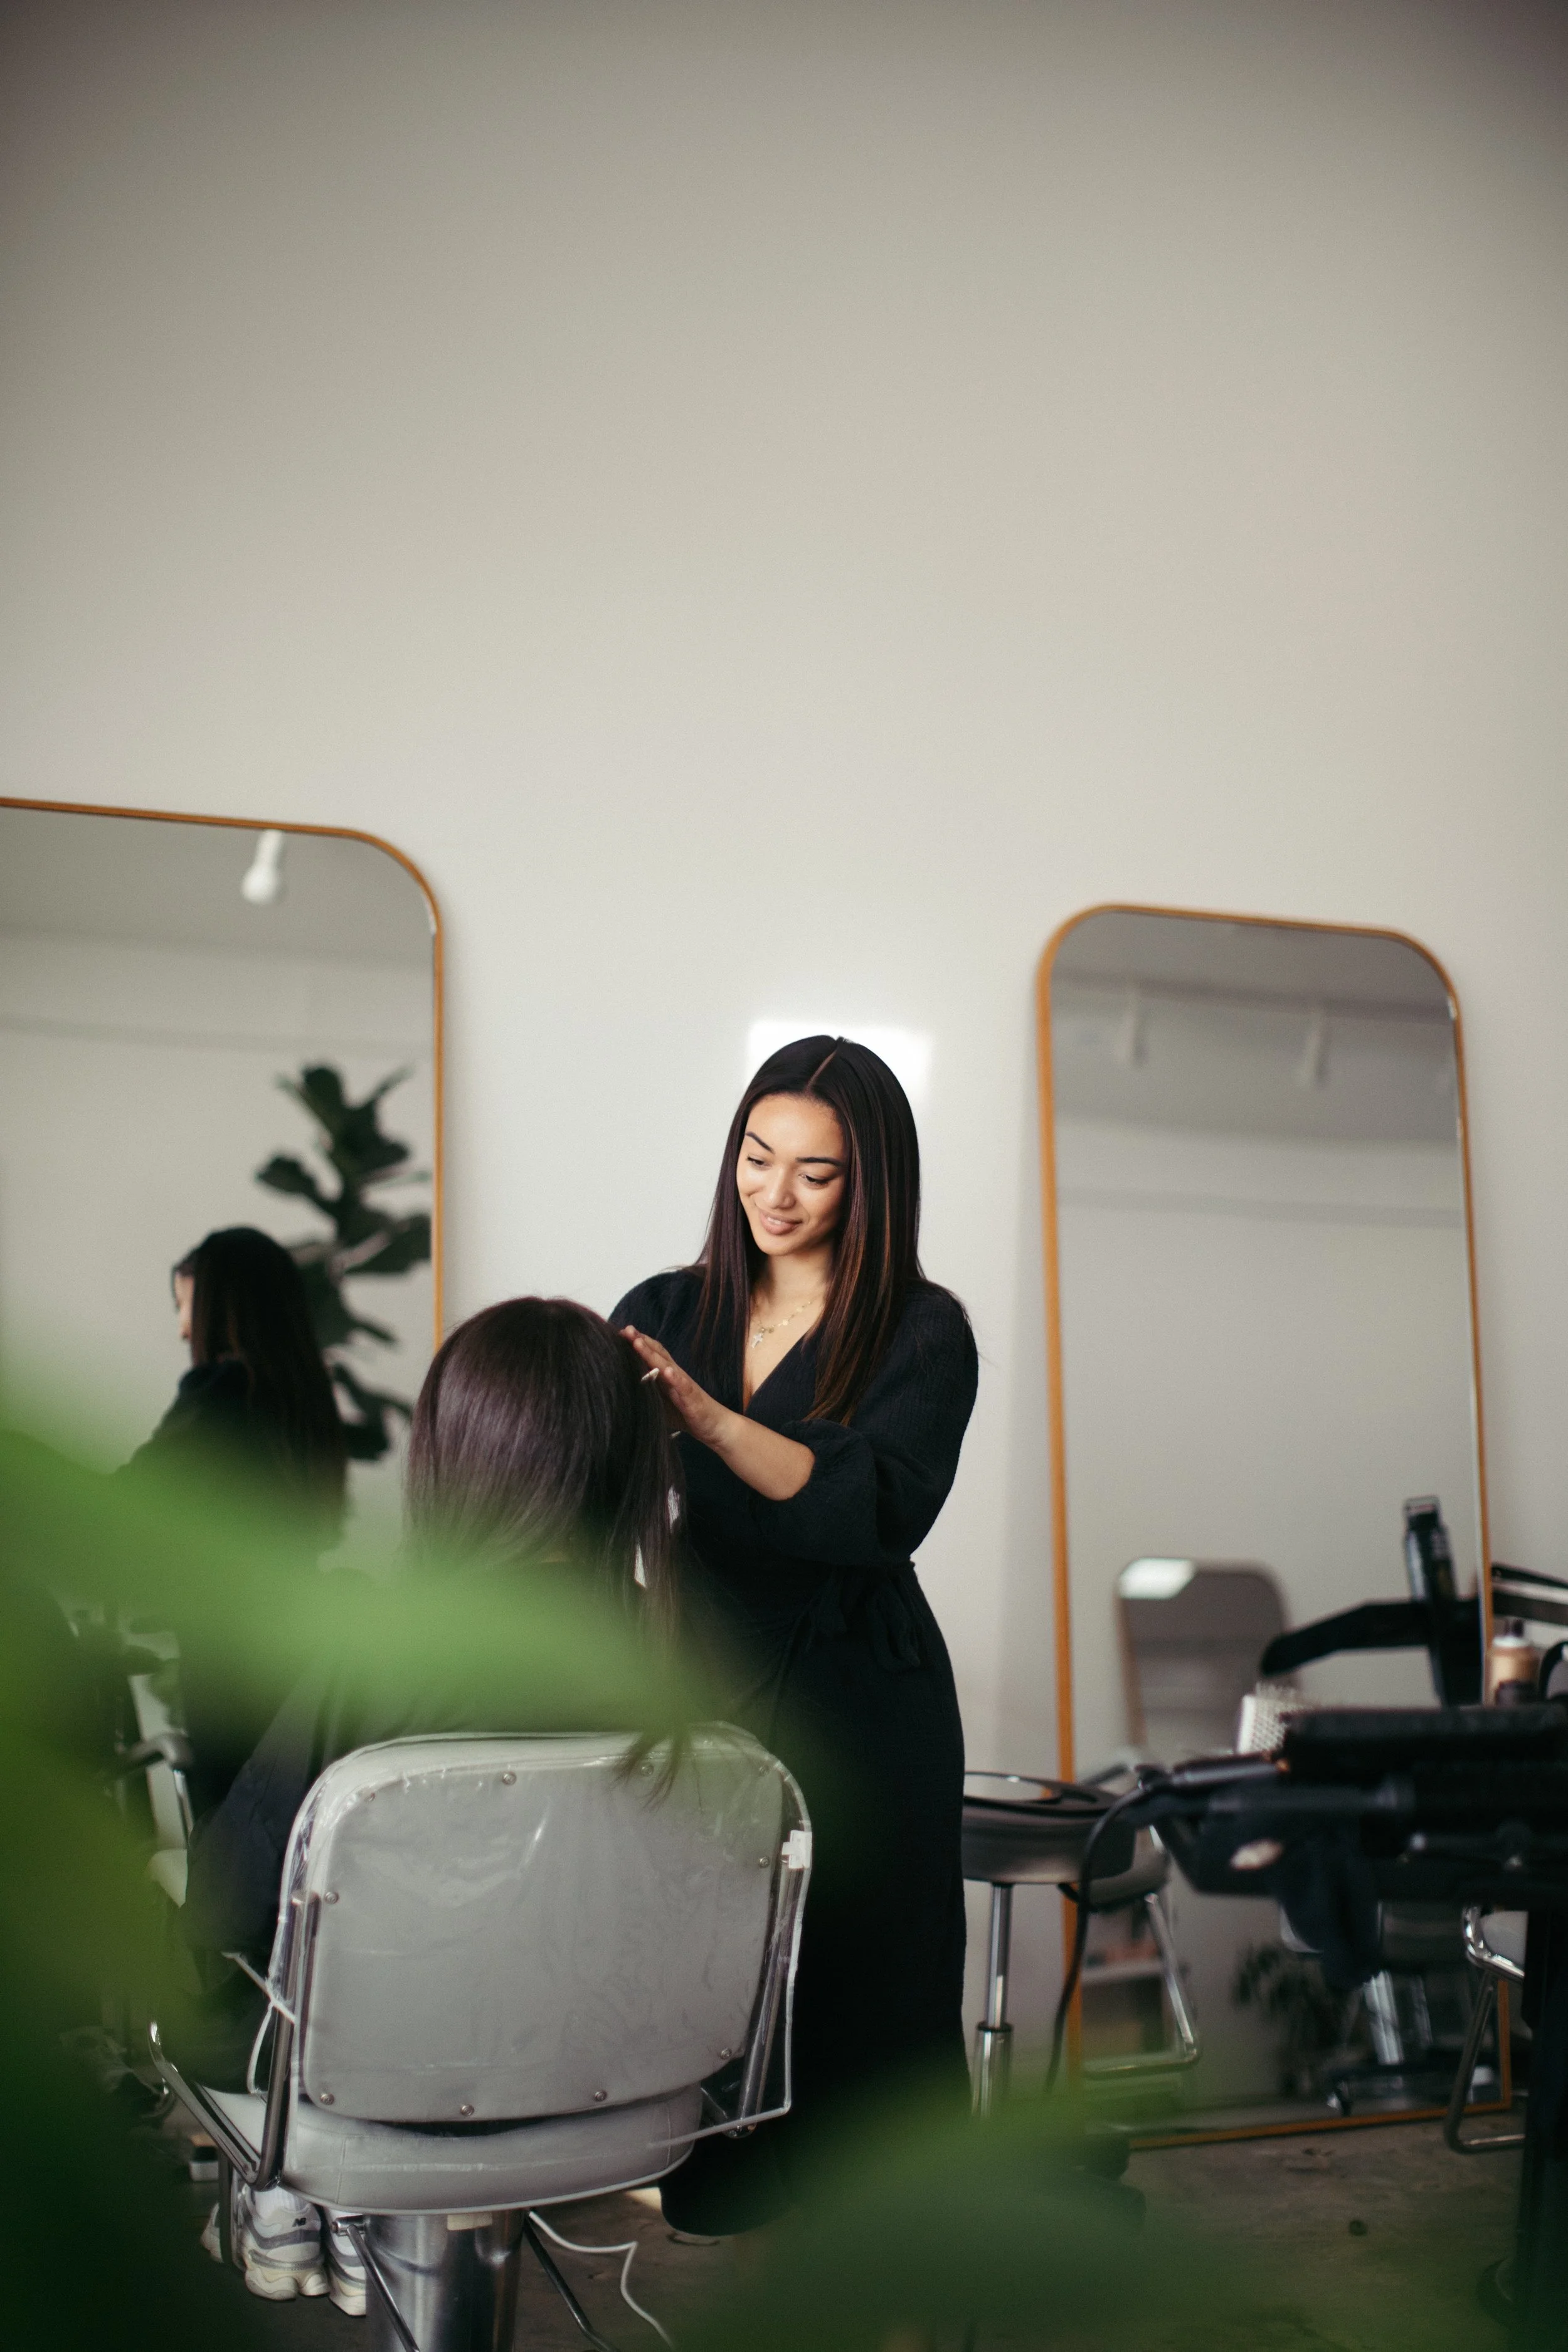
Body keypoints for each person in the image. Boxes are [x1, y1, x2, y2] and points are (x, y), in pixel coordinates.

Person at [174, 1296, 681, 2309]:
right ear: (628, 1460)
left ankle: (307, 2195)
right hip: (611, 2086)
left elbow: (229, 1911)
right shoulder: (686, 1665)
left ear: (454, 1454)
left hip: (380, 2090)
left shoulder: (385, 1656)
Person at [614, 1034, 978, 2232]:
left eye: (813, 1174)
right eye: (756, 1159)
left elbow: (875, 1506)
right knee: (704, 1959)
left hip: (858, 1688)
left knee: (863, 1980)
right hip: (702, 1670)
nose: (774, 1194)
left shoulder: (923, 1333)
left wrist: (711, 1422)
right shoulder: (669, 1310)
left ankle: (886, 2248)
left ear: (868, 1186)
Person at [121, 1227, 347, 1821]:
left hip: (232, 1664)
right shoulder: (305, 1397)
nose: (182, 1329)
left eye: (185, 1305)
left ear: (223, 1304)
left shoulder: (221, 1392)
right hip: (304, 1652)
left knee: (232, 1839)